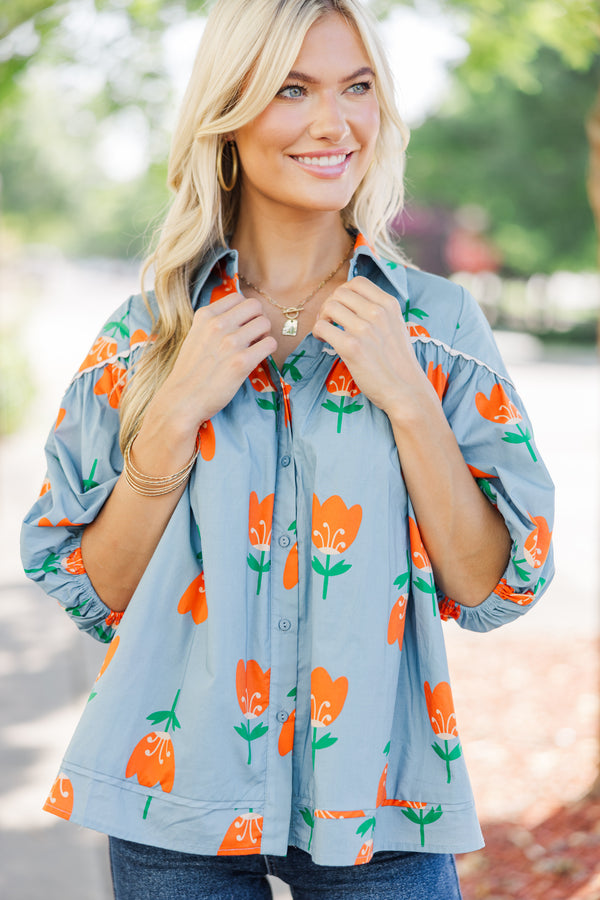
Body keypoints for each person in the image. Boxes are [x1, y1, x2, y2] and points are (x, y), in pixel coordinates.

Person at [21, 0, 555, 897]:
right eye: (292, 89)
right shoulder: (148, 334)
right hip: (169, 799)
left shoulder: (438, 327)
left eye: (357, 87)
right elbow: (92, 588)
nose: (332, 121)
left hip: (383, 802)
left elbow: (491, 583)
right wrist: (172, 416)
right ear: (227, 118)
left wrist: (409, 402)